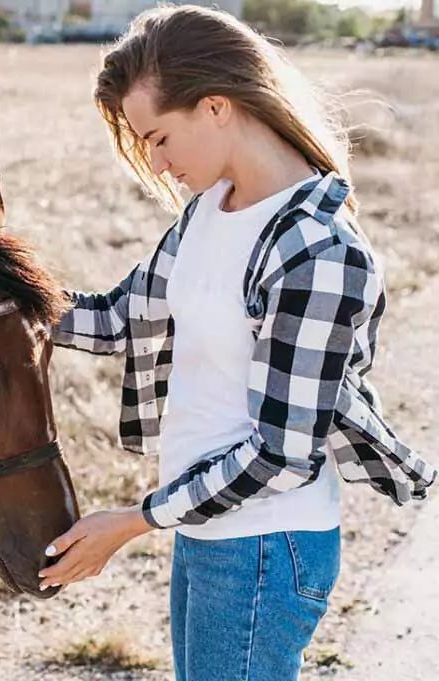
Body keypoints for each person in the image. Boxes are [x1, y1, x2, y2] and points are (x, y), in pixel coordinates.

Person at [36, 5, 437, 680]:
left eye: (159, 138)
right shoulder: (207, 212)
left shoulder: (317, 252)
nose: (157, 165)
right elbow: (113, 319)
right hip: (208, 530)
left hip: (266, 544)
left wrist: (135, 520)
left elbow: (282, 453)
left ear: (216, 106)